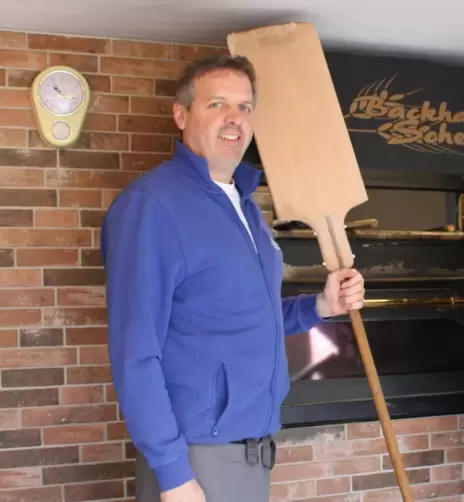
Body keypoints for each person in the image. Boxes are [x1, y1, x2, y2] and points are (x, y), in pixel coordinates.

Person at [101, 55, 365, 502]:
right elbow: (135, 353)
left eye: (245, 107)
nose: (234, 118)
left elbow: (241, 317)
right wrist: (173, 475)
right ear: (181, 114)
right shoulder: (151, 206)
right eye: (217, 104)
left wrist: (320, 308)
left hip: (250, 446)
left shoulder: (245, 205)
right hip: (197, 456)